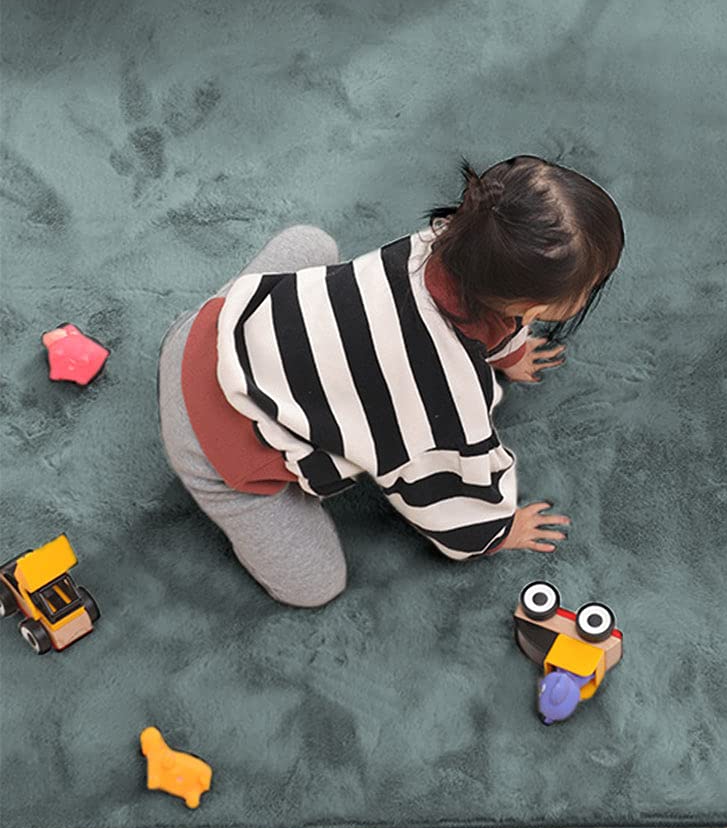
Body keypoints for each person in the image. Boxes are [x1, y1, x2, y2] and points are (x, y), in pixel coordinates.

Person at [157, 155, 625, 607]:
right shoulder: (441, 394)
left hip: (215, 329)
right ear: (537, 309)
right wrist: (495, 531)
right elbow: (440, 489)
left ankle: (185, 338)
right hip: (218, 446)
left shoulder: (442, 245)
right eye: (588, 288)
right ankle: (214, 481)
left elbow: (496, 318)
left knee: (310, 243)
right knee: (316, 585)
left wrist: (510, 352)